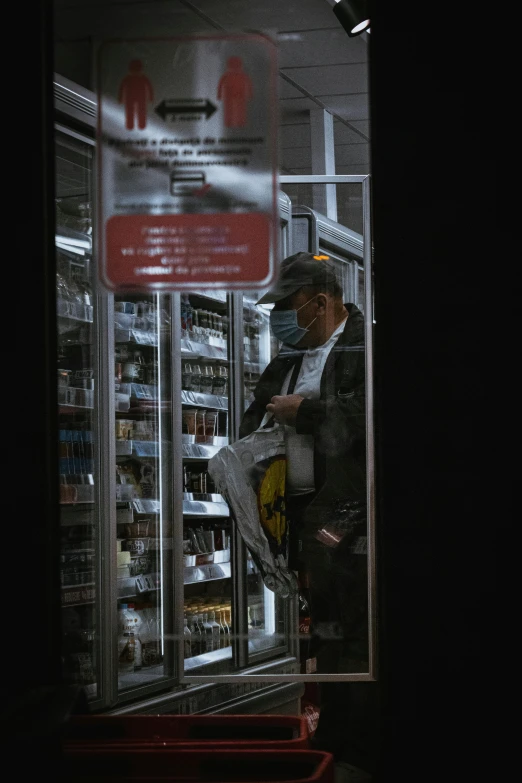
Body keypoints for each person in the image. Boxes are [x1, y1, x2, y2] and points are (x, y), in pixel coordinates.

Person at [239, 251, 378, 777]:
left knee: (357, 639)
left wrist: (308, 412)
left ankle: (360, 751)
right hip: (303, 525)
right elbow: (258, 412)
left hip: (352, 523)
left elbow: (370, 420)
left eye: (286, 305)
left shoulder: (366, 347)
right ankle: (333, 741)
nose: (279, 316)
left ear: (321, 301)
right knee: (324, 636)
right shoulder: (288, 358)